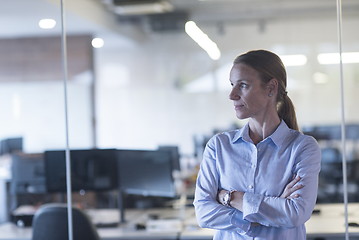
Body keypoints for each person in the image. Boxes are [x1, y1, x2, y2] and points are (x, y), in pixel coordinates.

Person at [193, 49, 321, 239]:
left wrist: (230, 198)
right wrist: (266, 211)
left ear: (270, 88)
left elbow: (296, 213)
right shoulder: (219, 146)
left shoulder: (302, 148)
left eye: (242, 85)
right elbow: (203, 213)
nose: (232, 95)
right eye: (232, 85)